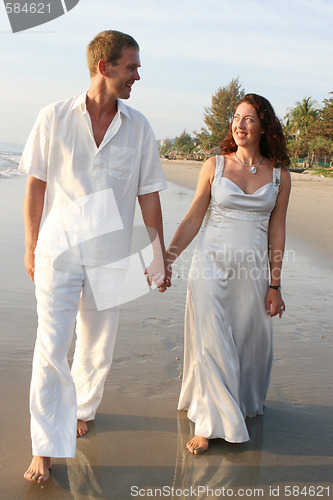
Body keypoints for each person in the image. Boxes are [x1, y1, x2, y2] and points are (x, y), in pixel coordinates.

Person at [20, 30, 167, 482]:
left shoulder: (139, 126)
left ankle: (82, 408)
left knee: (97, 348)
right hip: (58, 252)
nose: (137, 76)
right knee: (52, 346)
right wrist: (31, 246)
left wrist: (157, 252)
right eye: (131, 67)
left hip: (111, 254)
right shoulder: (53, 117)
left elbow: (148, 194)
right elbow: (36, 183)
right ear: (104, 67)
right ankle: (44, 449)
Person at [162, 94, 291, 454]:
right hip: (210, 266)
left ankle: (236, 404)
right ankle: (208, 422)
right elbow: (192, 218)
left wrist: (275, 284)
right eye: (236, 117)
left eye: (249, 119)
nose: (240, 124)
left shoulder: (279, 175)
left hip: (251, 273)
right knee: (211, 342)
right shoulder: (215, 165)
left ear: (264, 125)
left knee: (249, 343)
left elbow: (277, 230)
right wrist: (168, 258)